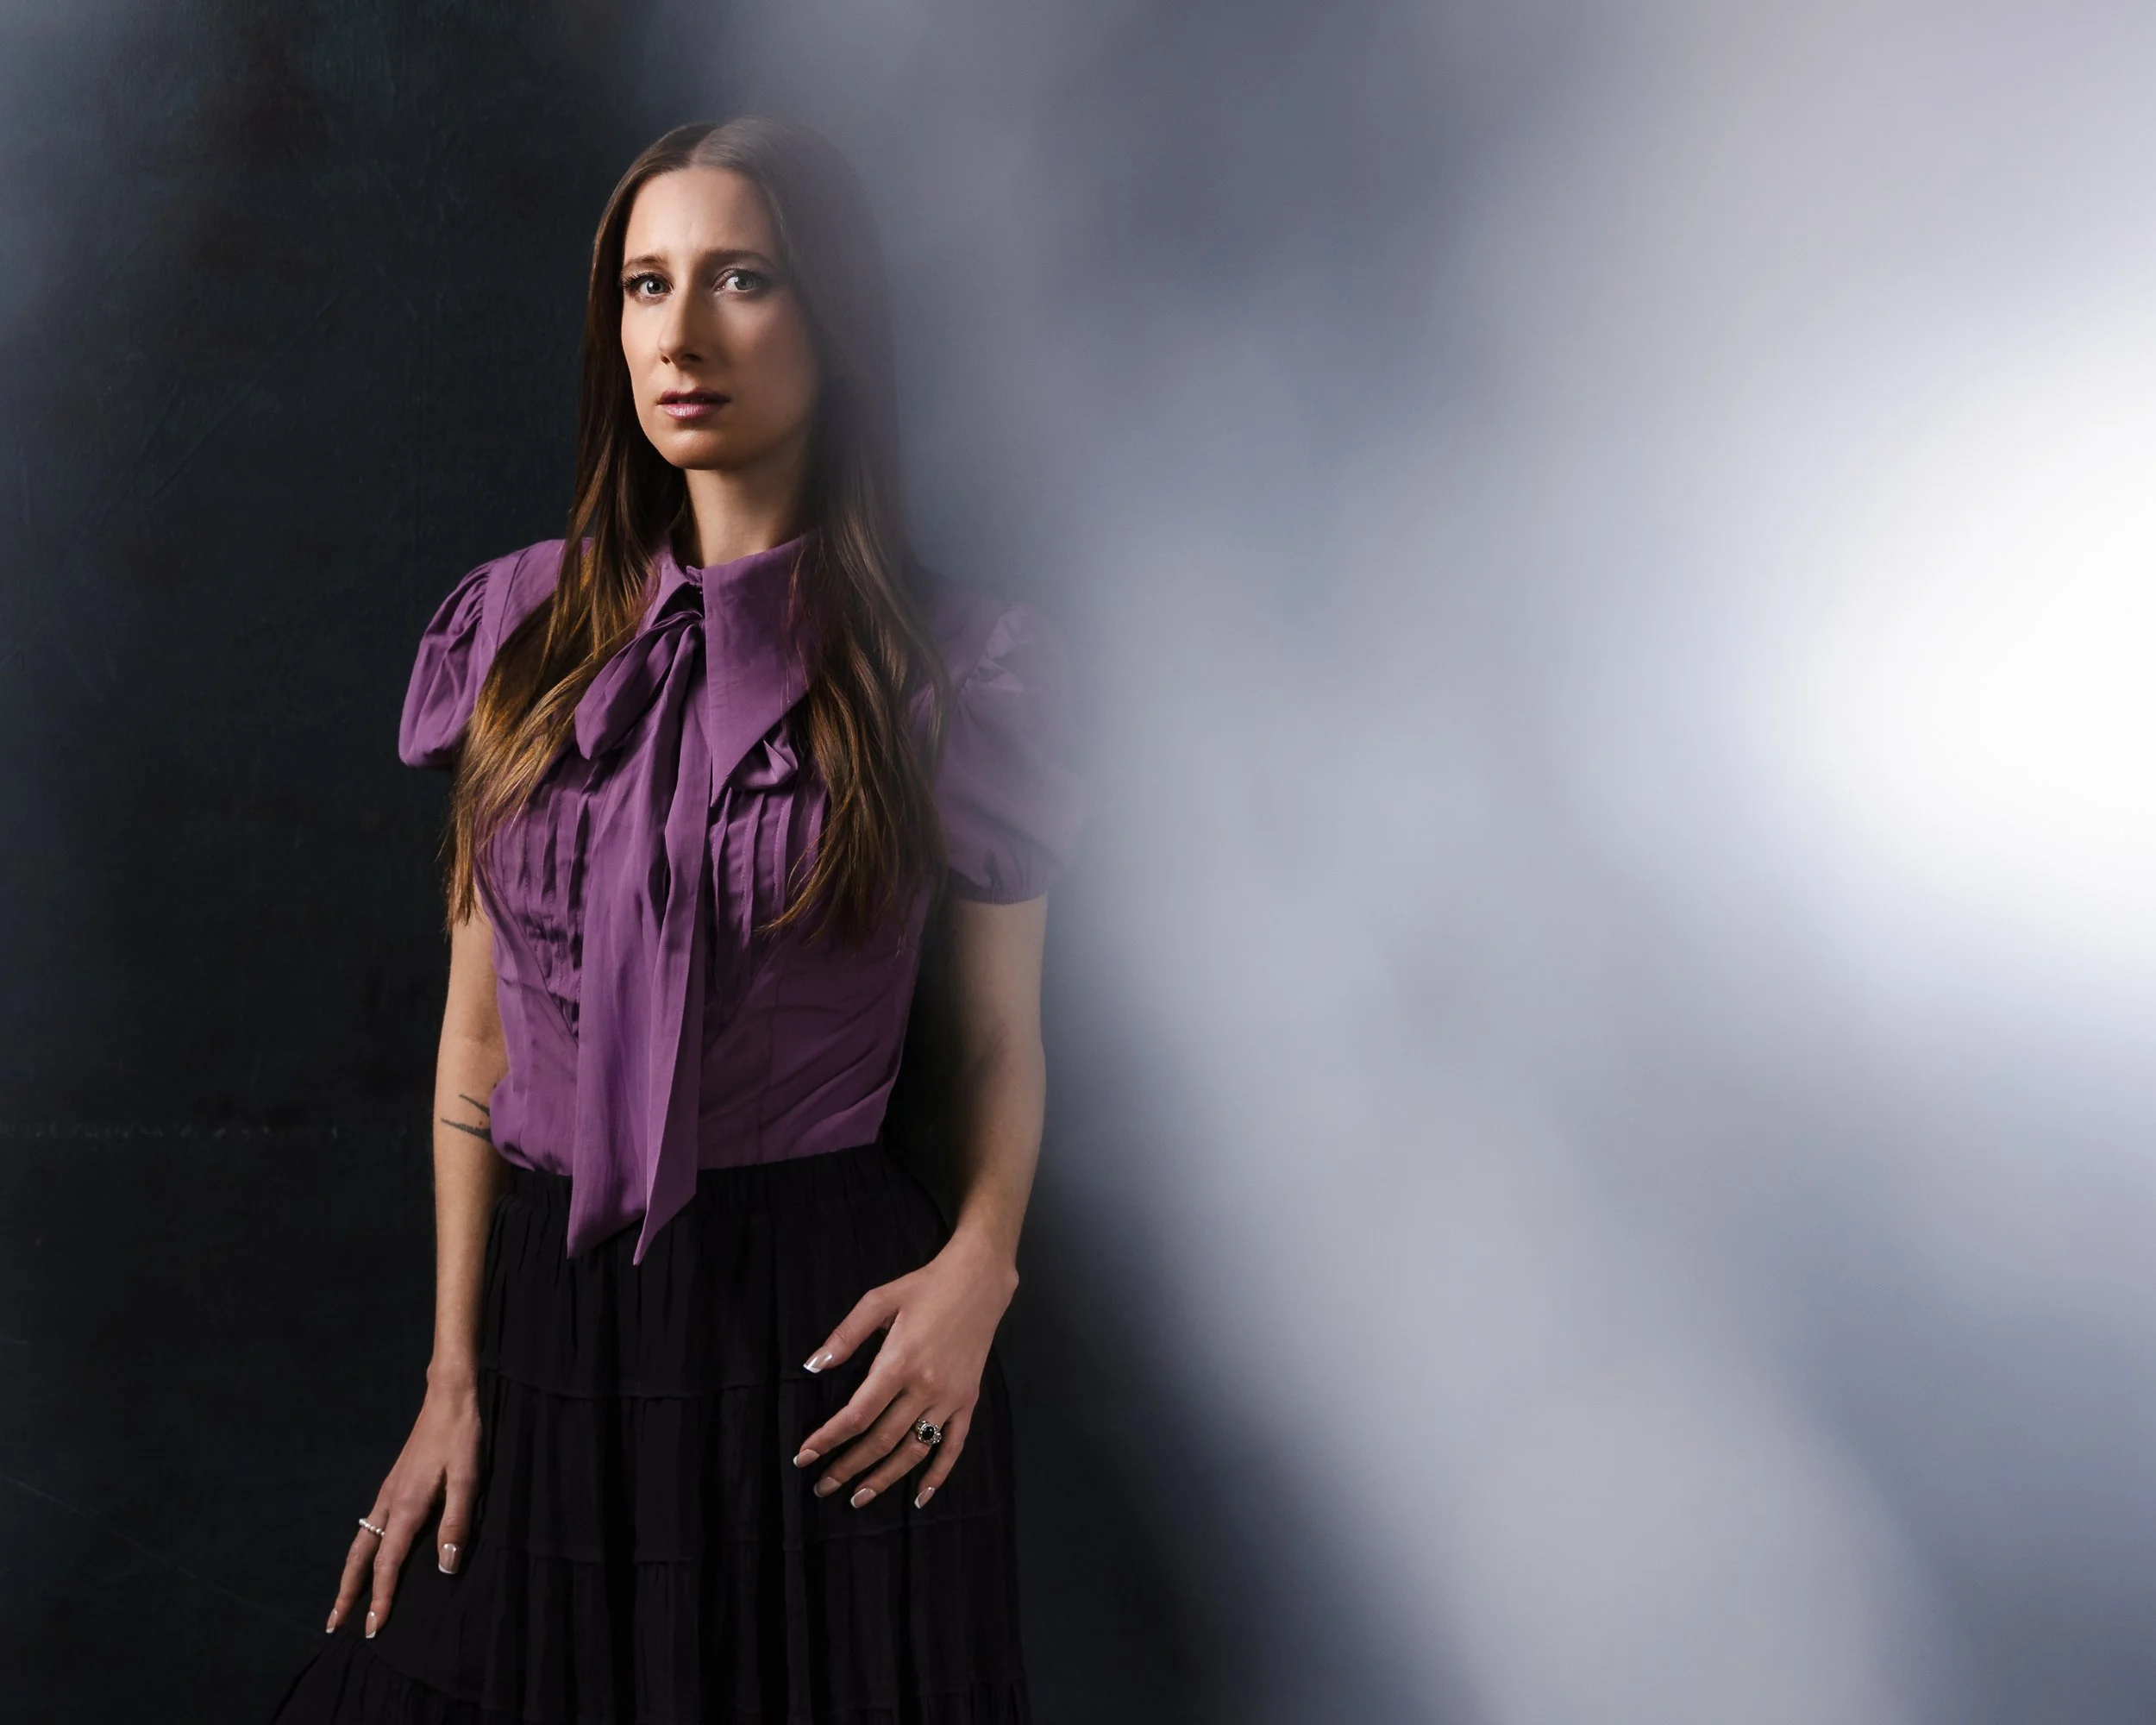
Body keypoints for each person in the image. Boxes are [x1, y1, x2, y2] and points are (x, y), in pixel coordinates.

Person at [268, 116, 1082, 1723]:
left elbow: (999, 1037)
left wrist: (981, 1268)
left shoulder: (956, 671)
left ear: (834, 322)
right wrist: (452, 1378)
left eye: (741, 279)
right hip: (548, 1322)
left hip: (831, 1341)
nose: (680, 333)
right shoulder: (517, 631)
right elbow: (477, 1045)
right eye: (646, 285)